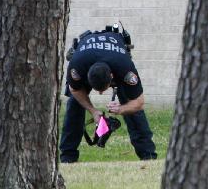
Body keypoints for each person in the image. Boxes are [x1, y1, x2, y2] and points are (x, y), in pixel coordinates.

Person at [59, 26, 157, 163]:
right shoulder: (77, 66)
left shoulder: (125, 69)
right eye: (97, 90)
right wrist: (92, 110)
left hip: (115, 59)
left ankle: (148, 156)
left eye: (103, 89)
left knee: (132, 107)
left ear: (112, 77)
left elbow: (139, 102)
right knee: (74, 104)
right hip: (86, 57)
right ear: (87, 77)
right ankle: (67, 158)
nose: (100, 93)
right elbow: (75, 90)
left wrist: (122, 108)